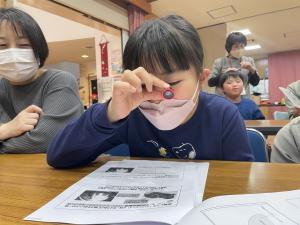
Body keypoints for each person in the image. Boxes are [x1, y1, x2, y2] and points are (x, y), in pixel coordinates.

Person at [47, 15, 253, 168]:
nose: (156, 97)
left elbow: (240, 179)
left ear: (201, 78)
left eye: (170, 84)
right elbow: (59, 157)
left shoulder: (223, 115)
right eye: (145, 85)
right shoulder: (132, 115)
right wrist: (109, 113)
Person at [0, 8, 83, 153]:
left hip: (59, 172)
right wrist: (8, 129)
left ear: (38, 48)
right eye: (2, 46)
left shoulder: (60, 81)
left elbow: (47, 141)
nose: (13, 52)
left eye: (24, 45)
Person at [208, 32, 260, 97]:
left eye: (242, 46)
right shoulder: (220, 62)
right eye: (236, 46)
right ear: (229, 47)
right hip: (224, 101)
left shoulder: (249, 60)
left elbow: (255, 83)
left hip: (243, 100)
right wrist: (225, 74)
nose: (239, 49)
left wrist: (251, 69)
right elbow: (210, 83)